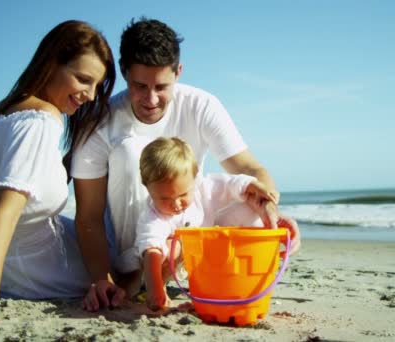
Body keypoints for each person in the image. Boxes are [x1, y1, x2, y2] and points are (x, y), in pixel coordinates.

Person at [71, 17, 301, 312]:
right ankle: (134, 278)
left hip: (185, 244)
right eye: (139, 85)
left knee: (251, 204)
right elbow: (88, 216)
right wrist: (100, 279)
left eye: (162, 86)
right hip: (128, 257)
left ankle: (203, 278)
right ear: (125, 72)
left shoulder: (201, 105)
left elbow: (250, 170)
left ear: (178, 73)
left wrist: (271, 209)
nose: (151, 99)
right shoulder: (100, 121)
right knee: (130, 154)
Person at [0, 20, 116, 336]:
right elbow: (3, 213)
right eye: (83, 79)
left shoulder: (2, 113)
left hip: (18, 267)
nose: (90, 95)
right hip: (45, 271)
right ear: (52, 62)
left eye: (96, 86)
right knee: (132, 266)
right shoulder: (41, 122)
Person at [130, 137, 278, 310]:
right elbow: (151, 251)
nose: (176, 204)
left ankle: (232, 274)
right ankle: (160, 286)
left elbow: (229, 184)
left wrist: (253, 186)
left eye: (183, 195)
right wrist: (154, 290)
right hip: (169, 264)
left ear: (194, 178)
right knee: (171, 247)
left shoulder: (202, 189)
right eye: (164, 198)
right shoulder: (153, 216)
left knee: (249, 209)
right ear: (147, 188)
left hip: (202, 259)